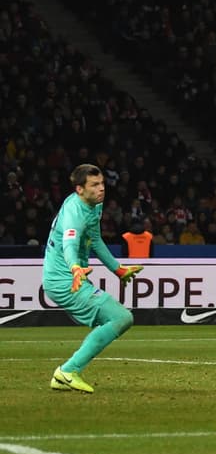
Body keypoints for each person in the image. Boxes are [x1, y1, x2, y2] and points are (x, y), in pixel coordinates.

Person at [43, 164, 143, 393]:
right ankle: (67, 371)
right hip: (65, 279)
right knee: (121, 318)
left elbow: (95, 240)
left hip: (73, 276)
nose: (101, 189)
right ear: (79, 189)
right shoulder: (74, 213)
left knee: (114, 320)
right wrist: (75, 267)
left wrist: (117, 269)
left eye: (102, 184)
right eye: (94, 185)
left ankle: (69, 372)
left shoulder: (94, 205)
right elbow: (69, 244)